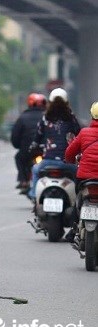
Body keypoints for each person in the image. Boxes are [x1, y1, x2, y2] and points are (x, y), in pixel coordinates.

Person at [27, 88, 81, 201]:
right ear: (66, 102)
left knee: (35, 170)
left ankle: (33, 195)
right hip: (67, 162)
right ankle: (77, 198)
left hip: (48, 161)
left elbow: (37, 137)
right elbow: (79, 134)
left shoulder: (45, 117)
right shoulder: (71, 117)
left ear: (50, 102)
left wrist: (32, 147)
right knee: (79, 175)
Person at [64, 102, 98, 243]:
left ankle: (73, 230)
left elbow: (69, 153)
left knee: (77, 201)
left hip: (85, 177)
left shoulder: (84, 133)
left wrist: (71, 161)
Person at [11, 93, 46, 193]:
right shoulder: (48, 117)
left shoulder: (22, 118)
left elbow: (15, 137)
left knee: (19, 158)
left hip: (27, 151)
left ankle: (23, 180)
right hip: (45, 150)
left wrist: (19, 146)